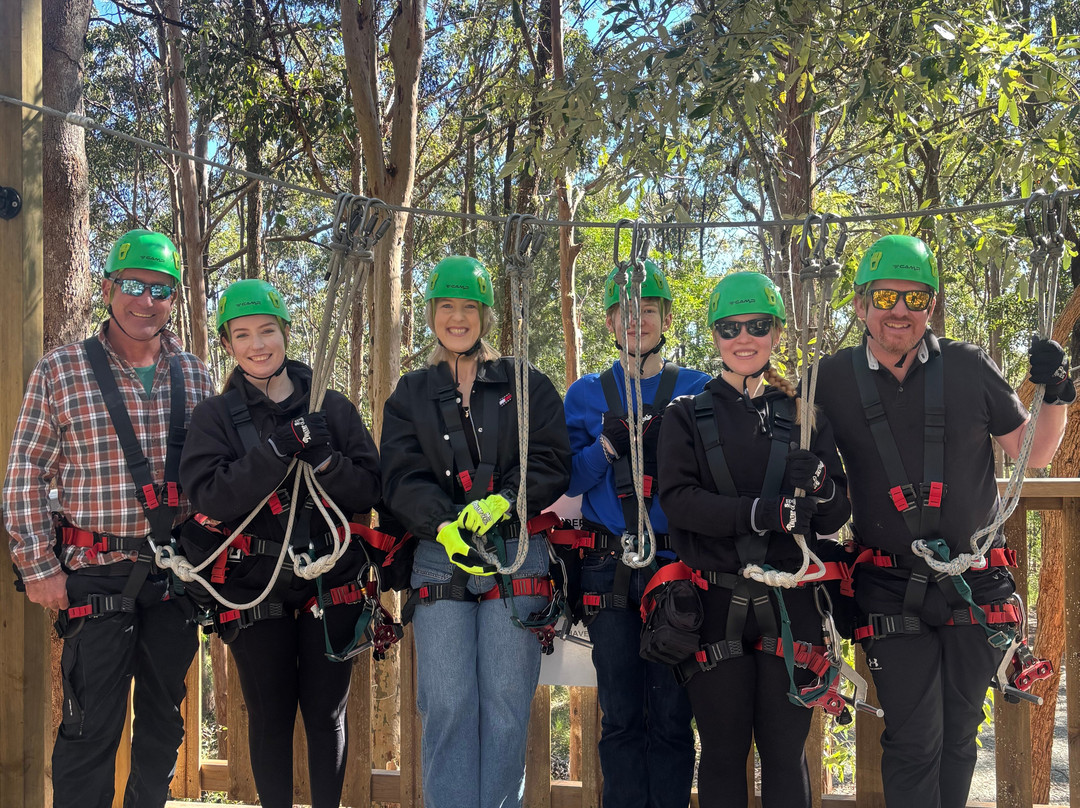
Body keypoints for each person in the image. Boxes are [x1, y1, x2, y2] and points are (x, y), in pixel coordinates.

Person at [812, 234, 1070, 808]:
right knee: (913, 737)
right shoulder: (830, 378)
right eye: (884, 296)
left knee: (958, 736)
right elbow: (791, 442)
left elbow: (1035, 450)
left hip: (973, 581)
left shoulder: (968, 366)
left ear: (932, 306)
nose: (899, 310)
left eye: (915, 297)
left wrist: (1057, 390)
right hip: (887, 583)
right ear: (860, 304)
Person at [3, 229, 215, 808]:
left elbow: (216, 478)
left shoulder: (195, 376)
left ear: (173, 298)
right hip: (94, 575)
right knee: (88, 726)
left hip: (174, 578)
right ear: (106, 289)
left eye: (160, 289)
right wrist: (38, 566)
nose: (144, 301)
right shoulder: (63, 370)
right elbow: (26, 471)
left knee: (162, 725)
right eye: (131, 285)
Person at [178, 278, 382, 808]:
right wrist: (276, 450)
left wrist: (328, 462)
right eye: (242, 335)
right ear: (227, 345)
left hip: (328, 581)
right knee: (269, 716)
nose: (257, 345)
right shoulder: (215, 417)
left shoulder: (330, 408)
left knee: (325, 714)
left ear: (286, 333)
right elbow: (210, 497)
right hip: (254, 586)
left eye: (267, 331)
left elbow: (370, 487)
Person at [379, 255, 571, 808]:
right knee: (446, 704)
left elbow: (552, 459)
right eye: (447, 307)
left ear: (486, 315)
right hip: (442, 555)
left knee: (508, 707)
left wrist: (504, 501)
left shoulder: (525, 383)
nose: (457, 318)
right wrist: (443, 523)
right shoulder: (411, 394)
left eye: (468, 307)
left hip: (516, 552)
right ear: (433, 314)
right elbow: (400, 473)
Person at [657, 271, 852, 808]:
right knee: (721, 750)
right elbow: (679, 501)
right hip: (714, 598)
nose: (744, 339)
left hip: (791, 599)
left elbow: (836, 516)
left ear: (777, 333)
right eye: (730, 328)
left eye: (758, 326)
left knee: (785, 752)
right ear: (715, 336)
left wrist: (820, 483)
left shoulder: (805, 416)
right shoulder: (685, 417)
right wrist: (763, 512)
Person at [561, 261, 707, 808]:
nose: (637, 321)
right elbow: (568, 478)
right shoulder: (585, 396)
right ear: (608, 322)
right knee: (621, 713)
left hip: (673, 567)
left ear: (666, 318)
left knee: (672, 714)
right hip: (609, 566)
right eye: (626, 312)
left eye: (647, 311)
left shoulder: (696, 389)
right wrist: (605, 448)